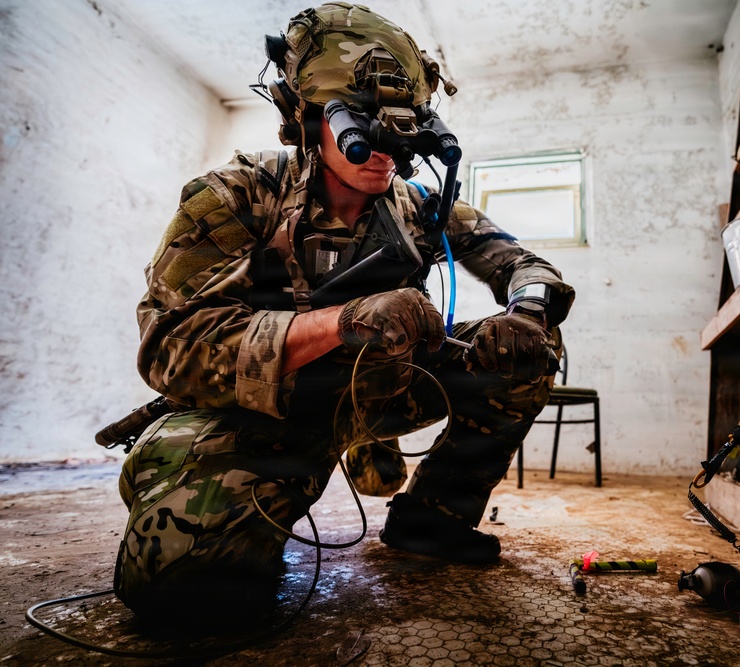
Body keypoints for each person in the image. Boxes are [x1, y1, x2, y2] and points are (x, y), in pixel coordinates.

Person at [110, 1, 574, 623]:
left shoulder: (420, 205)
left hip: (384, 389)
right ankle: (268, 494)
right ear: (305, 120)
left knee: (524, 358)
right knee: (179, 587)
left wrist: (527, 314)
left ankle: (432, 522)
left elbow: (522, 262)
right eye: (364, 128)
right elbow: (172, 349)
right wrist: (343, 321)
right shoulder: (236, 195)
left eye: (402, 130)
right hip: (264, 412)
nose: (384, 151)